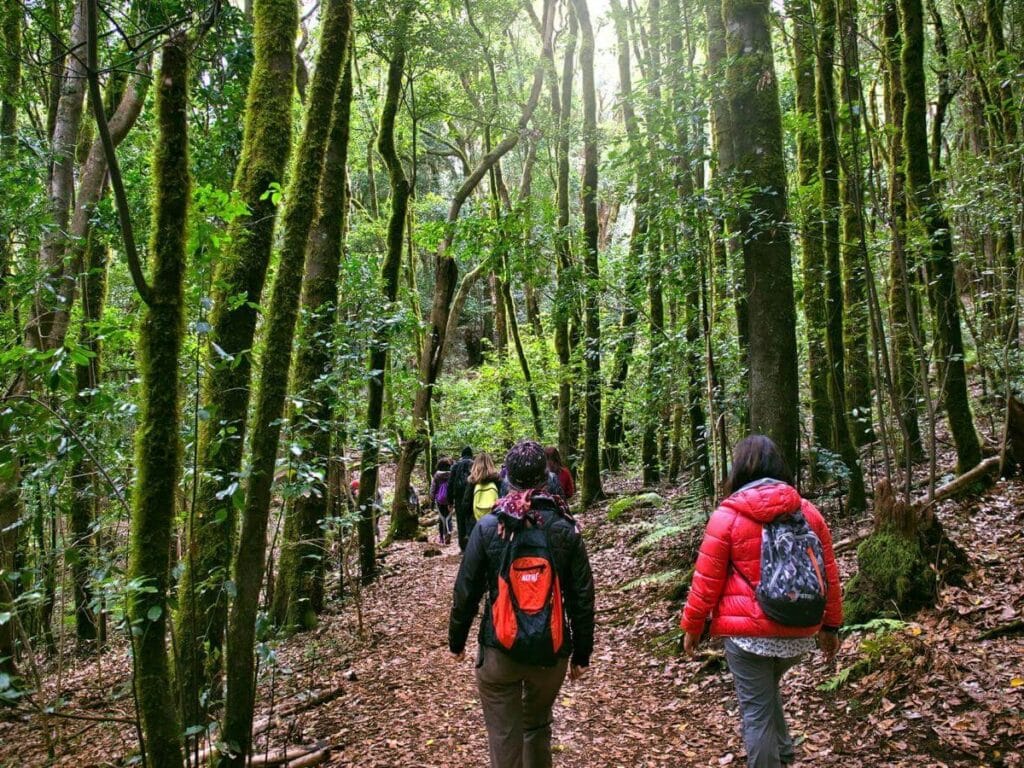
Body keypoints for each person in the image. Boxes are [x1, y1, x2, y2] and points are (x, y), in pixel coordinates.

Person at [680, 435, 842, 768]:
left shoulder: (727, 515)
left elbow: (706, 582)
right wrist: (831, 626)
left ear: (738, 470)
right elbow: (830, 575)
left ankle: (772, 758)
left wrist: (693, 627)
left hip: (747, 637)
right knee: (766, 693)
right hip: (800, 630)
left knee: (756, 713)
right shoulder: (808, 512)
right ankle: (783, 751)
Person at [449, 440, 595, 768]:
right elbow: (582, 596)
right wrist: (582, 653)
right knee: (537, 725)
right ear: (547, 477)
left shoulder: (489, 527)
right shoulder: (565, 527)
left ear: (507, 478)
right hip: (551, 653)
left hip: (499, 649)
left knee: (504, 735)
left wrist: (456, 641)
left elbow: (466, 590)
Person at [465, 452, 501, 529]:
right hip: (495, 524)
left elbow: (466, 504)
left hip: (475, 524)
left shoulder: (472, 482)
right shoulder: (498, 480)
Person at [449, 446, 475, 551]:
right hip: (472, 496)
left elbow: (450, 484)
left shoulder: (455, 466)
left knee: (460, 522)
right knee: (471, 519)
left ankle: (463, 547)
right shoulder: (473, 464)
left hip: (459, 498)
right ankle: (472, 545)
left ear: (462, 454)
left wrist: (449, 500)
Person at [430, 457, 454, 545]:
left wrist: (432, 499)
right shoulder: (452, 475)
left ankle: (441, 537)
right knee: (449, 517)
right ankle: (448, 532)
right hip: (449, 499)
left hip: (439, 500)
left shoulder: (436, 475)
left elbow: (433, 488)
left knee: (441, 518)